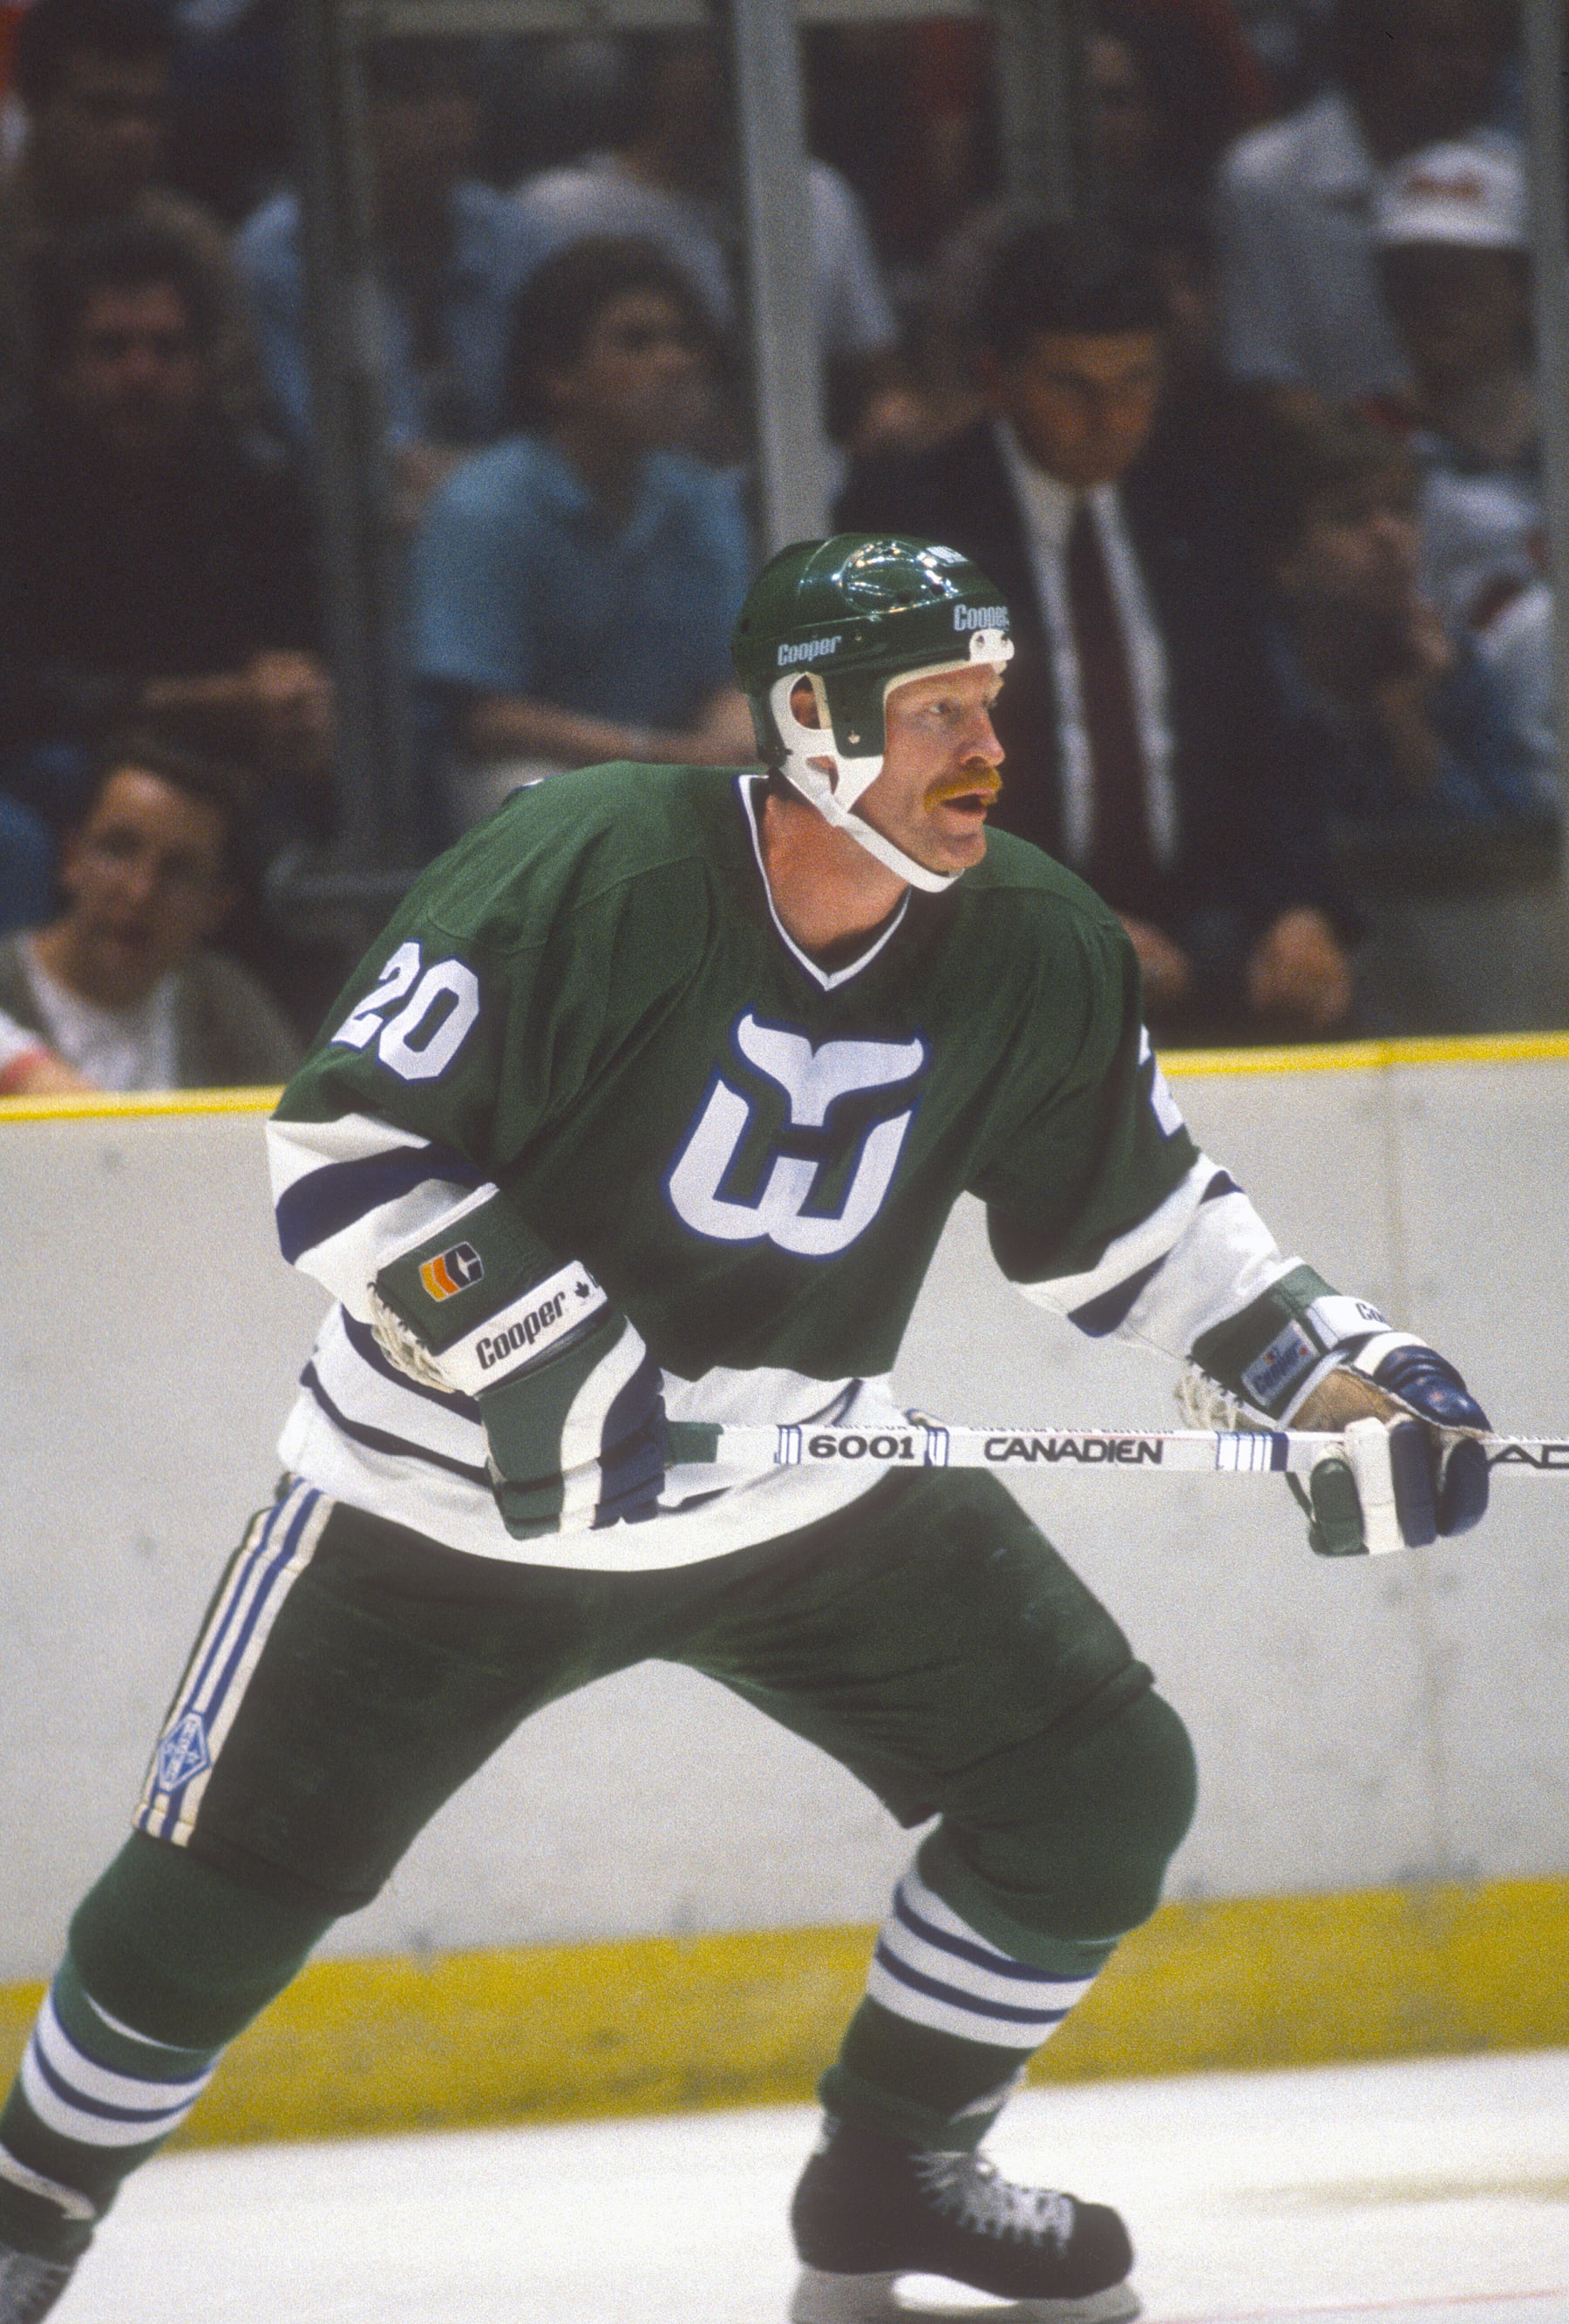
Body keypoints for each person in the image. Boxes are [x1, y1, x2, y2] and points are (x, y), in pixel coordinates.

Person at [0, 532, 1493, 2324]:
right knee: (208, 1907)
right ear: (808, 720)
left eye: (988, 704)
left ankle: (895, 2171)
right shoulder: (583, 865)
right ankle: (25, 2222)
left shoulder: (1029, 941)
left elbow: (1152, 1225)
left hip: (799, 1480)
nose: (984, 750)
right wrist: (548, 1353)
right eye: (935, 709)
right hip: (440, 1503)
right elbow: (347, 1150)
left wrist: (1336, 1383)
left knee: (1093, 1785)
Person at [838, 215, 1353, 1038]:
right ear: (997, 379)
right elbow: (881, 786)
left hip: (1195, 951)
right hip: (976, 953)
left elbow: (1266, 741)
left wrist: (1297, 908)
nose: (1111, 416)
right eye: (1073, 386)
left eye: (1138, 382)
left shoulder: (1198, 506)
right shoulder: (908, 523)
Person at [0, 219, 331, 854]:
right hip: (52, 755)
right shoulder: (16, 482)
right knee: (65, 777)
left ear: (203, 367)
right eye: (111, 348)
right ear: (59, 370)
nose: (142, 373)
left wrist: (291, 684)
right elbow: (17, 691)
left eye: (167, 348)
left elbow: (293, 636)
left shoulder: (251, 478)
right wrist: (195, 701)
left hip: (212, 742)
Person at [412, 234, 756, 830]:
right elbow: (485, 721)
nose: (675, 363)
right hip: (535, 775)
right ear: (557, 376)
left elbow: (723, 679)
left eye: (683, 341)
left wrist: (739, 748)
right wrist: (660, 757)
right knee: (537, 804)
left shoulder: (700, 498)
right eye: (636, 342)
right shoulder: (485, 507)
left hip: (673, 764)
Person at [1252, 401, 1562, 1032]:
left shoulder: (1450, 661)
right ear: (1286, 559)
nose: (1389, 536)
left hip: (1455, 977)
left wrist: (1412, 731)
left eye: (1401, 511)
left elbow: (1504, 868)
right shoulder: (1250, 684)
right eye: (1350, 519)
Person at [511, 31, 911, 458]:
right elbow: (527, 395)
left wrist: (890, 415)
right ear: (655, 74)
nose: (726, 84)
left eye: (740, 60)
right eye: (704, 58)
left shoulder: (816, 194)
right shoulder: (561, 209)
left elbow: (882, 376)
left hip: (806, 486)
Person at [235, 35, 548, 518]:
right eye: (415, 98)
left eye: (463, 93)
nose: (450, 118)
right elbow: (326, 444)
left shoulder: (506, 232)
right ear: (349, 116)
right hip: (354, 534)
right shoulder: (284, 251)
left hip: (508, 524)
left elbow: (553, 414)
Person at [1217, 0, 1518, 401]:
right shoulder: (1265, 176)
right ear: (1378, 47)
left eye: (1489, 49)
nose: (1473, 71)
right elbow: (1265, 381)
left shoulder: (1511, 175)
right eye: (1445, 46)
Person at [0, 0, 261, 429]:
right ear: (33, 104)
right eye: (101, 109)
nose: (133, 134)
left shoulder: (194, 246)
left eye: (151, 112)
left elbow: (233, 419)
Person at [0, 731, 300, 1090]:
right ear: (71, 857)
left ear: (216, 906)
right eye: (118, 850)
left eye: (178, 871)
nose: (140, 891)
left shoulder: (223, 1004)